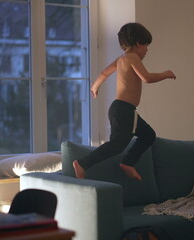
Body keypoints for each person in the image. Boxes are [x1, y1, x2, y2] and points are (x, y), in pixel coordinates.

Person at [73, 22, 176, 181]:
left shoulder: (121, 59)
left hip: (122, 109)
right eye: (146, 46)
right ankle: (83, 164)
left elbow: (104, 73)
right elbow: (146, 78)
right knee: (117, 145)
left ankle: (128, 163)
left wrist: (95, 86)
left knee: (148, 135)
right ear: (138, 43)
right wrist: (165, 74)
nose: (147, 50)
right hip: (124, 110)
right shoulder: (133, 57)